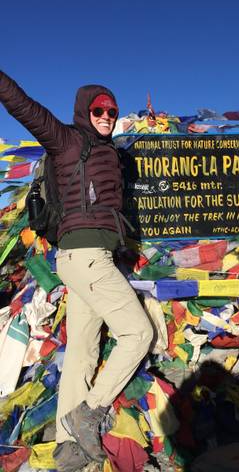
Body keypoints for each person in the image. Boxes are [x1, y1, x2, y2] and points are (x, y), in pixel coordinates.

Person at [0, 71, 153, 471]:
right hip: (85, 258)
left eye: (112, 111)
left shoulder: (112, 153)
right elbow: (23, 105)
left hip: (87, 259)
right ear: (85, 111)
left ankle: (69, 448)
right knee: (138, 333)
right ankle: (90, 412)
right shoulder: (67, 140)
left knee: (83, 352)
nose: (106, 116)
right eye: (99, 109)